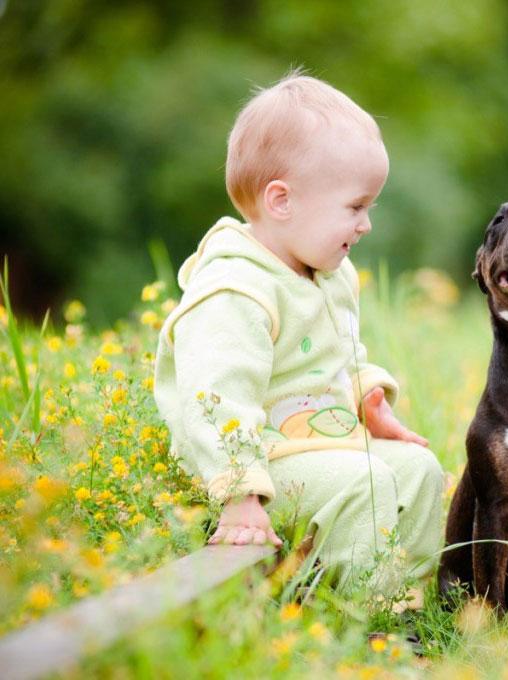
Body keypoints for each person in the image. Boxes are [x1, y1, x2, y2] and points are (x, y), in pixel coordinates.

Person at [153, 71, 444, 588]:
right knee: (369, 484)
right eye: (355, 206)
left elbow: (340, 354)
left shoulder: (327, 274)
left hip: (321, 449)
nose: (366, 224)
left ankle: (408, 604)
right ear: (282, 202)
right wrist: (241, 494)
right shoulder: (235, 288)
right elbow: (215, 399)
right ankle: (358, 616)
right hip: (259, 465)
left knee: (418, 470)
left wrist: (366, 393)